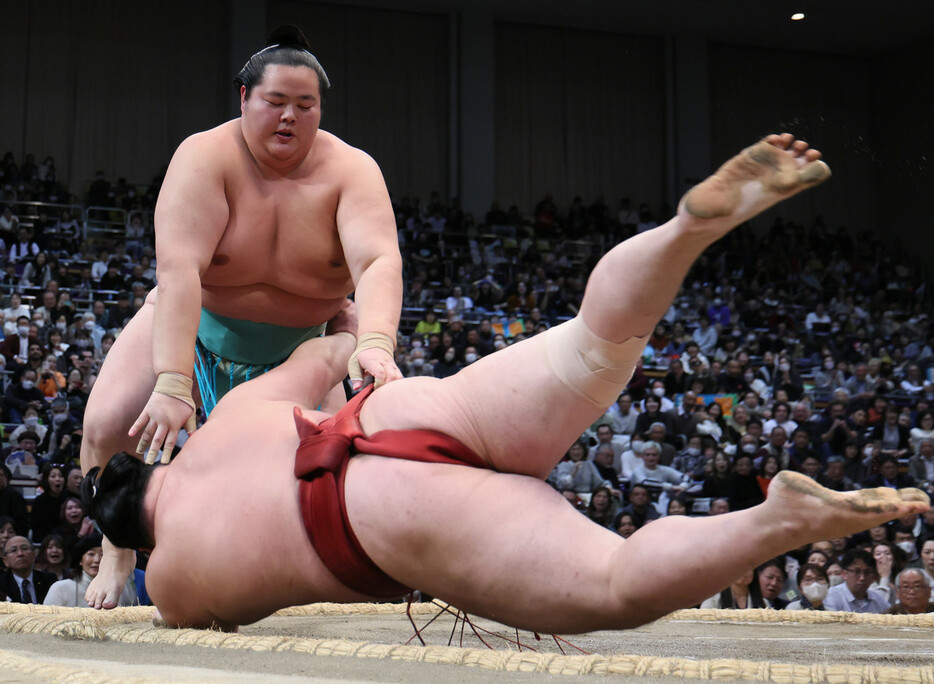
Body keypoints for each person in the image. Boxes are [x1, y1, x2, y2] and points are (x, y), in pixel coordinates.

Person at [83, 136, 928, 632]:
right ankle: (683, 229)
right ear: (155, 469)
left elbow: (195, 611)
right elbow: (325, 354)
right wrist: (357, 342)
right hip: (400, 411)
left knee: (617, 582)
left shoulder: (182, 582)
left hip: (378, 519)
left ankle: (777, 519)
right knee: (603, 344)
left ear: (141, 534)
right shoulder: (229, 416)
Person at [80, 27, 405, 607]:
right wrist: (174, 378)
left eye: (305, 106)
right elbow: (179, 271)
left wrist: (375, 341)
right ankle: (117, 552)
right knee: (106, 424)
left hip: (305, 340)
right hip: (196, 323)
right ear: (244, 99)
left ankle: (329, 575)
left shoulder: (352, 170)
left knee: (338, 465)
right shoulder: (204, 157)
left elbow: (379, 259)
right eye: (275, 102)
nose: (290, 118)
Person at [43, 534, 136, 608]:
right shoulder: (61, 588)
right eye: (91, 554)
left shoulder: (122, 587)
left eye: (102, 554)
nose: (97, 560)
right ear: (80, 560)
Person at [823, 549, 890, 613]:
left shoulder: (876, 598)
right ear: (844, 574)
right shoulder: (832, 595)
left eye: (867, 572)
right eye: (856, 572)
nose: (862, 578)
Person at [0, 536, 57, 603]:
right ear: (5, 561)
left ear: (34, 555)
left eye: (24, 548)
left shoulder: (49, 580)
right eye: (13, 550)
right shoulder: (1, 585)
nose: (20, 554)